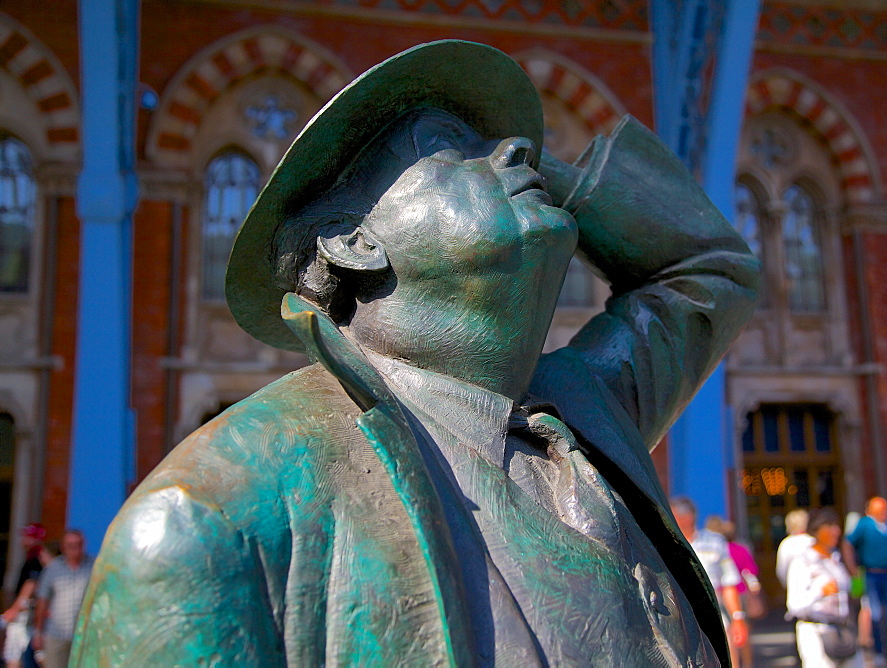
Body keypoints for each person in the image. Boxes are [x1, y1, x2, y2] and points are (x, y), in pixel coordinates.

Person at [72, 41, 760, 666]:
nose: (516, 149)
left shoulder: (589, 409)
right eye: (451, 146)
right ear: (353, 243)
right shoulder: (218, 519)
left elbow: (710, 272)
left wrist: (531, 169)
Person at [672, 501, 749, 668]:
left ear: (687, 517)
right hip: (678, 615)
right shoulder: (666, 542)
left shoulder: (715, 542)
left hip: (714, 613)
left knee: (726, 659)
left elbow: (729, 582)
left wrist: (737, 618)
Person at [785, 508, 863, 668]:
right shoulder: (802, 561)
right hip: (815, 630)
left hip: (843, 629)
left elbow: (849, 590)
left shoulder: (835, 559)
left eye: (837, 526)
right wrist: (820, 591)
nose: (836, 531)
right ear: (816, 530)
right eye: (830, 526)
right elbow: (794, 605)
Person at [845, 496, 887, 667]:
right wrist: (852, 568)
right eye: (879, 510)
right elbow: (847, 543)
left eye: (885, 509)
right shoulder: (864, 525)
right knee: (876, 614)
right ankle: (878, 652)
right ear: (870, 511)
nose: (883, 513)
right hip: (872, 574)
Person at [33, 530, 92, 668]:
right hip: (57, 634)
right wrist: (38, 632)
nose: (75, 549)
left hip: (84, 636)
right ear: (63, 547)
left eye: (78, 545)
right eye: (70, 545)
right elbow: (42, 600)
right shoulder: (53, 568)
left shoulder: (93, 566)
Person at [707, 515, 761, 668]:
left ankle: (733, 664)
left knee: (727, 636)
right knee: (743, 634)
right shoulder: (740, 549)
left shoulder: (716, 551)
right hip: (739, 594)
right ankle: (748, 664)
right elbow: (750, 571)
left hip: (721, 595)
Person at [1, 524, 47, 668]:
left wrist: (14, 610)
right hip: (25, 617)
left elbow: (30, 585)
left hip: (24, 617)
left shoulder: (37, 558)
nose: (24, 540)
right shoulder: (32, 557)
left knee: (14, 655)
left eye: (28, 537)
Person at [777, 509, 814, 588]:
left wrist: (788, 585)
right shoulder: (813, 541)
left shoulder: (786, 544)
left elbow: (781, 570)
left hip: (795, 587)